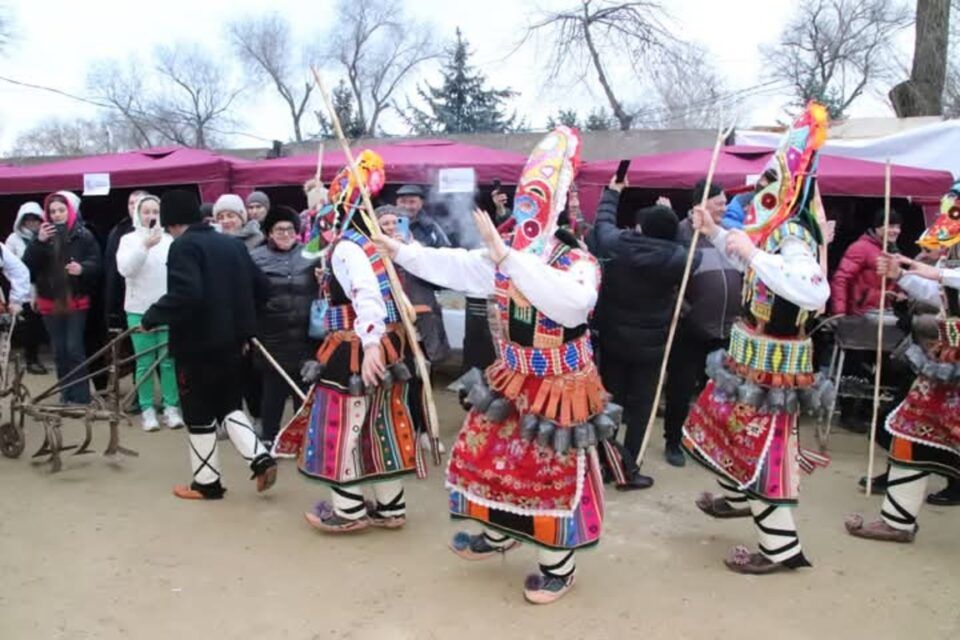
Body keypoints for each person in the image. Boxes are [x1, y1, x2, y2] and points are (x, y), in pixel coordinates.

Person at [378, 128, 611, 605]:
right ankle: (503, 531)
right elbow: (462, 266)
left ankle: (557, 566)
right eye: (524, 198)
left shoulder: (578, 260)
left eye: (537, 199)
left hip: (558, 386)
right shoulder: (506, 254)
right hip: (513, 378)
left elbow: (571, 305)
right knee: (491, 456)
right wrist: (403, 252)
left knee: (548, 470)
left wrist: (509, 259)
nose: (526, 209)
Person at [682, 103, 833, 575]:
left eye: (769, 184)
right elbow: (746, 257)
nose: (759, 193)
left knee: (765, 447)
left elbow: (814, 289)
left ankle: (781, 548)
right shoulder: (767, 231)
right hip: (749, 352)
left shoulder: (791, 234)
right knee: (726, 426)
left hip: (775, 362)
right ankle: (736, 496)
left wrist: (751, 251)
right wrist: (714, 233)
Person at [273, 151, 427, 535]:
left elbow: (366, 294)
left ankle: (348, 509)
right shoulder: (371, 241)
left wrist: (371, 340)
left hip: (355, 349)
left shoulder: (347, 247)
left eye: (329, 211)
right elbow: (313, 248)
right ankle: (391, 507)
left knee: (341, 426)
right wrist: (317, 198)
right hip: (383, 347)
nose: (324, 220)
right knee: (380, 423)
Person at [141, 189, 276, 500]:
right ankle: (261, 458)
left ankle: (207, 483)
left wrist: (151, 317)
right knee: (228, 405)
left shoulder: (183, 247)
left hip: (196, 346)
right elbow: (263, 289)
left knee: (199, 413)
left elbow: (187, 293)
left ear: (171, 222)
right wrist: (245, 327)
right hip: (234, 345)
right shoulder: (231, 245)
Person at [845, 210, 960, 539]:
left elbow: (942, 283)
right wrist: (902, 274)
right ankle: (897, 521)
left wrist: (934, 274)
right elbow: (938, 297)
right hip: (946, 365)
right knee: (909, 432)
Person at [592, 176, 689, 488]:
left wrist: (612, 192)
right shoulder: (677, 257)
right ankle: (629, 468)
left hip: (614, 340)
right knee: (642, 407)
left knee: (611, 401)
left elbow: (603, 221)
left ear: (639, 228)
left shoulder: (617, 244)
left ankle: (605, 462)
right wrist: (674, 221)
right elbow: (691, 250)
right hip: (651, 346)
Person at [663, 181, 743, 467]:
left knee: (720, 392)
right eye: (718, 202)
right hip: (691, 327)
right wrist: (685, 311)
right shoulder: (681, 232)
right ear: (701, 204)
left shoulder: (729, 235)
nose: (724, 207)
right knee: (681, 388)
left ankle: (707, 443)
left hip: (727, 328)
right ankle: (673, 440)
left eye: (724, 202)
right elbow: (669, 279)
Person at [249, 206, 319, 447]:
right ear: (269, 232)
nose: (285, 233)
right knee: (273, 389)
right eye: (279, 229)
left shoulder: (310, 254)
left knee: (304, 385)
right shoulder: (255, 258)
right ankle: (269, 437)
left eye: (290, 229)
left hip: (305, 334)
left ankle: (302, 436)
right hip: (271, 334)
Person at [23, 191, 102, 405]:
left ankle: (82, 397)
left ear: (69, 211)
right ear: (47, 214)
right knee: (59, 350)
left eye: (61, 210)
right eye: (53, 211)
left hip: (76, 300)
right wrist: (38, 242)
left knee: (74, 348)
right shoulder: (40, 236)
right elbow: (27, 267)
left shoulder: (83, 234)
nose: (57, 214)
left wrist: (82, 268)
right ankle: (65, 395)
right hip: (49, 301)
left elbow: (97, 263)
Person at [115, 194, 182, 432]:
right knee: (144, 363)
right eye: (147, 212)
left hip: (166, 308)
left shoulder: (169, 239)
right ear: (138, 214)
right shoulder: (128, 240)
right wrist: (145, 246)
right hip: (138, 308)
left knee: (168, 361)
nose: (151, 216)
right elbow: (125, 270)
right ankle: (147, 409)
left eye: (155, 212)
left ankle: (171, 407)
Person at [214, 193, 264, 433]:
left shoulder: (258, 240)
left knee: (250, 372)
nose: (226, 221)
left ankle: (257, 415)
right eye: (221, 216)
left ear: (241, 217)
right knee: (224, 372)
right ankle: (230, 419)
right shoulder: (212, 244)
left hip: (248, 315)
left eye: (231, 215)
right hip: (219, 317)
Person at [6, 202, 49, 374]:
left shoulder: (47, 237)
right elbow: (10, 268)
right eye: (27, 219)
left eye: (35, 219)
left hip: (44, 287)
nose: (32, 222)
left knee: (42, 325)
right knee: (28, 327)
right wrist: (21, 286)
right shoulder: (13, 240)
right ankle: (31, 360)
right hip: (24, 291)